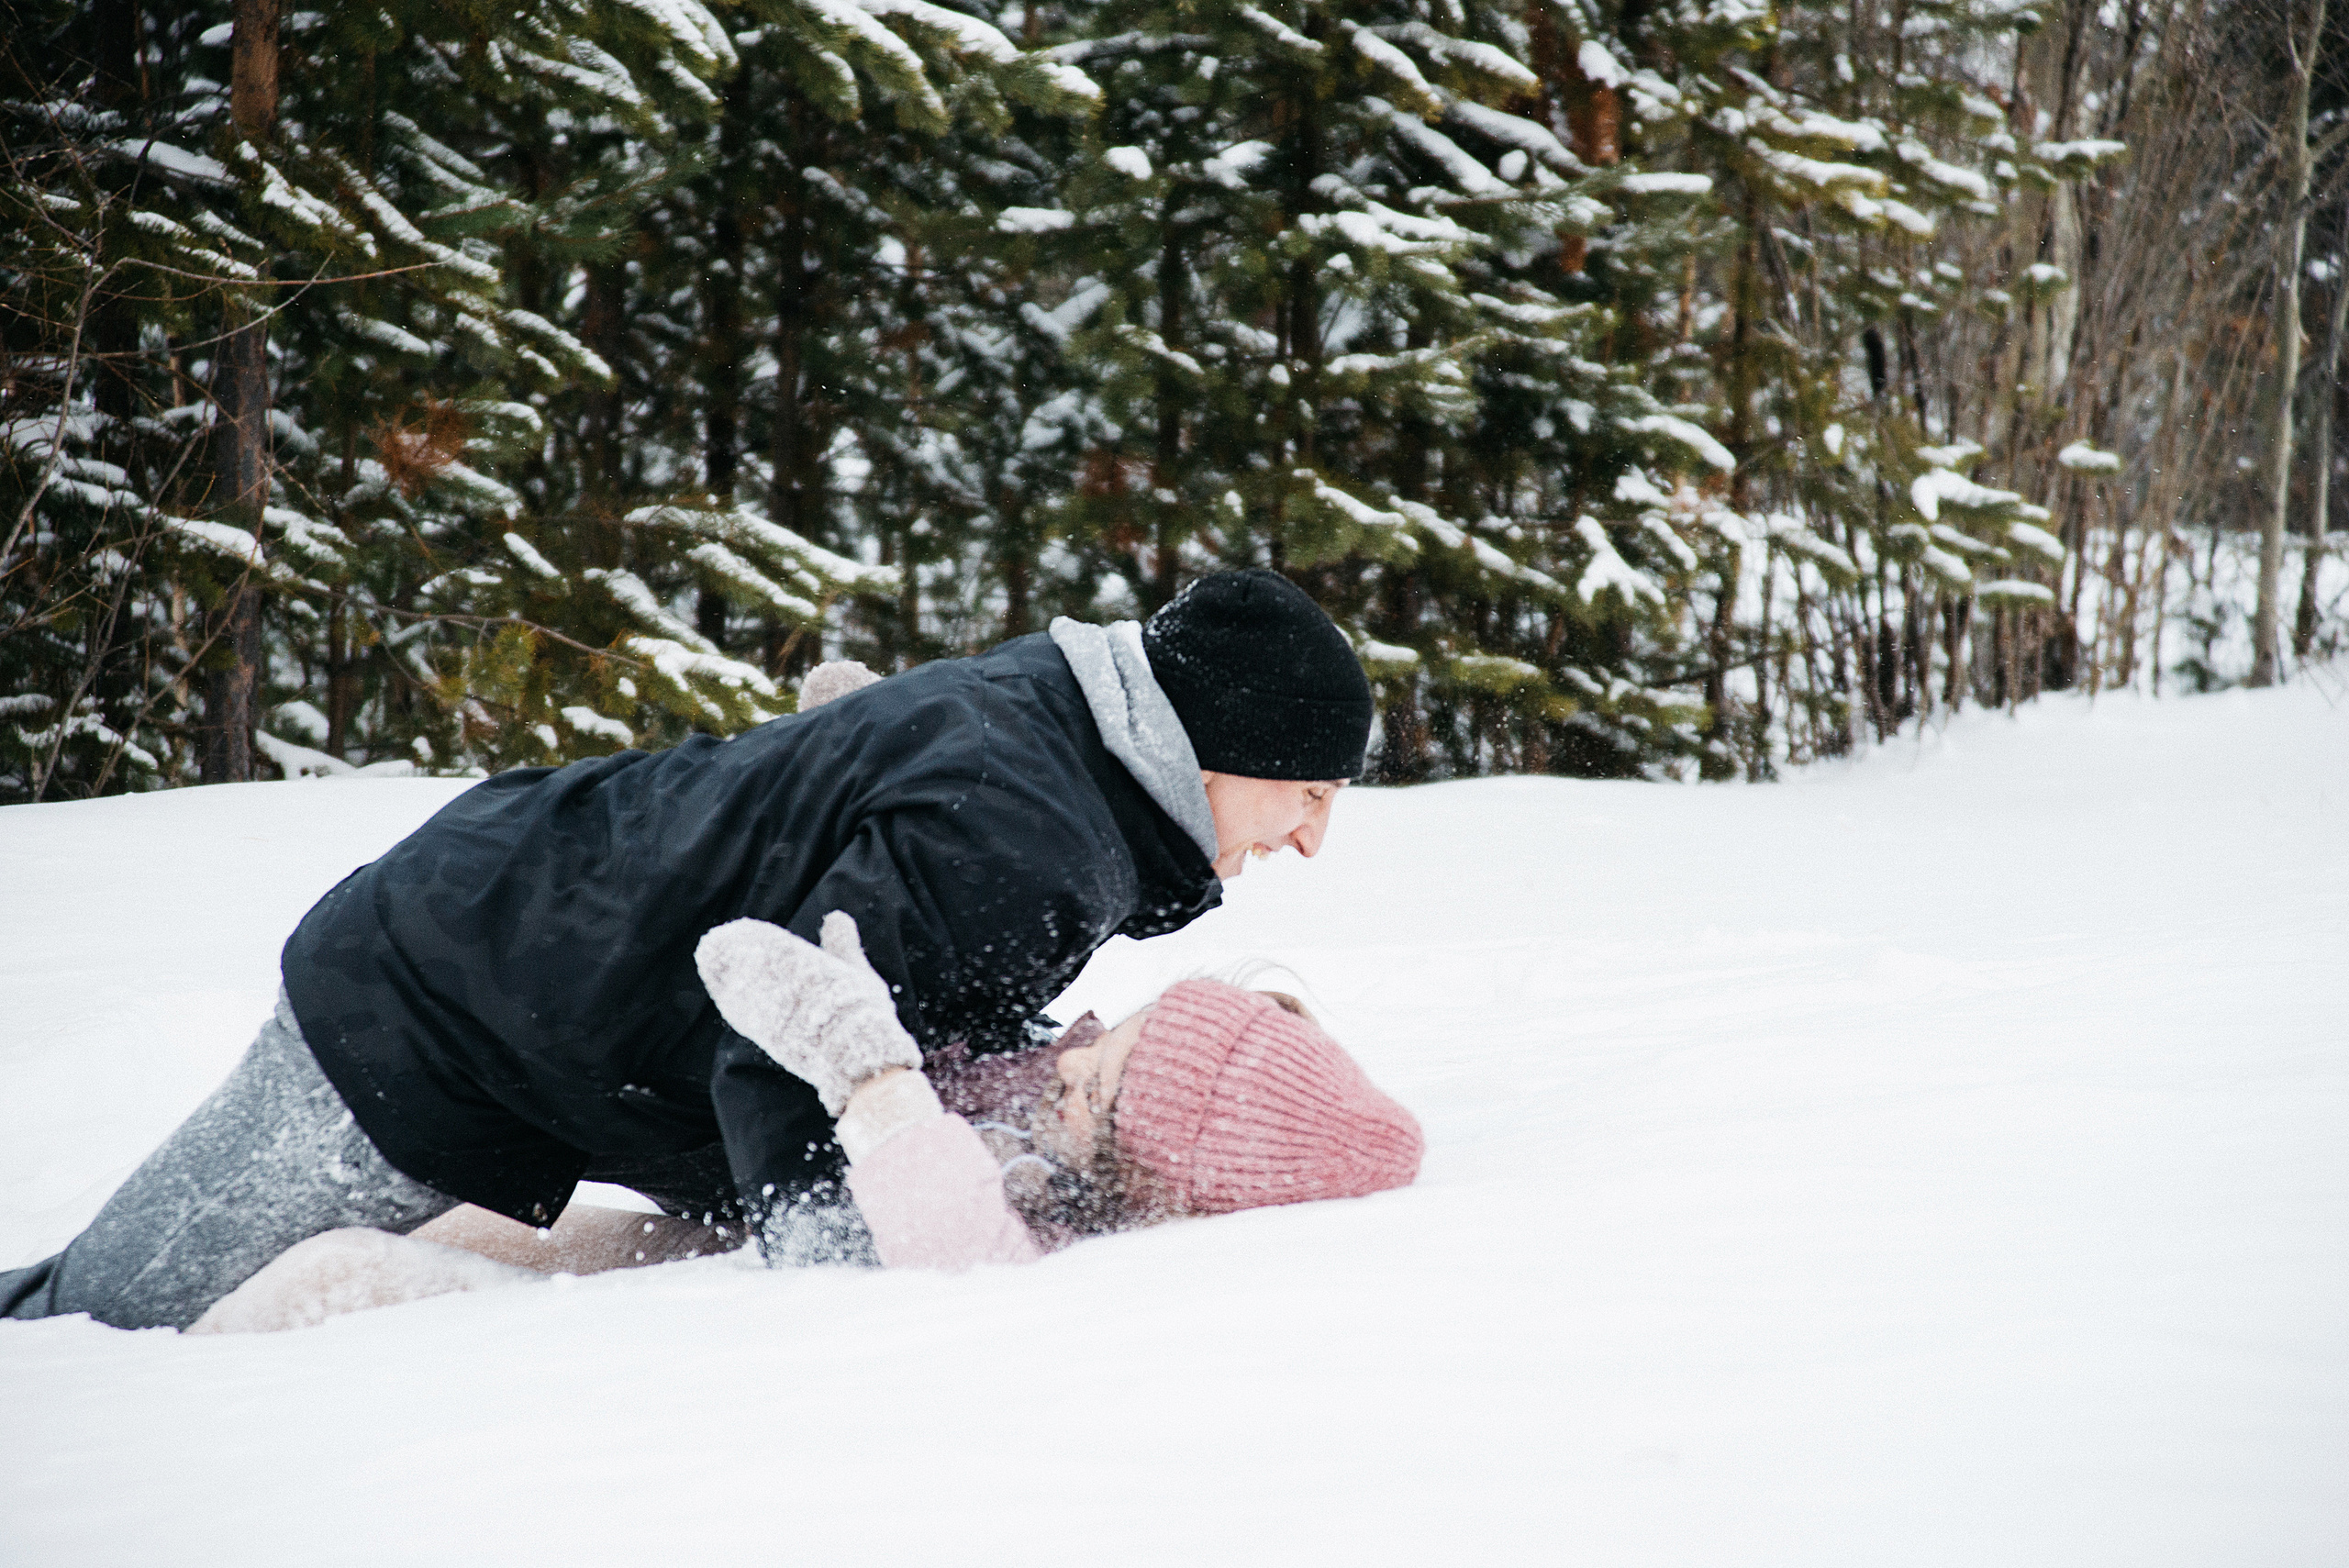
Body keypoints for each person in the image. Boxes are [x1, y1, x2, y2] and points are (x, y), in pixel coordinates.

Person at [1, 569, 1375, 1330]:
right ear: (1226, 743)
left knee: (116, 1299)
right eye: (1311, 792)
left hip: (500, 936)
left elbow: (875, 916)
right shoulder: (1042, 839)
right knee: (96, 1327)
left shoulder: (1056, 734)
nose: (1310, 838)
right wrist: (848, 1261)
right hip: (439, 998)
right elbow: (782, 1053)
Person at [186, 939, 1424, 1332]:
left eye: (1098, 1071)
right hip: (705, 1215)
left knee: (353, 1276)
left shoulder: (1055, 1199)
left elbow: (957, 1251)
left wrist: (866, 1066)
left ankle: (172, 1352)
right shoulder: (1067, 1096)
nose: (1074, 1051)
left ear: (1141, 1146)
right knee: (458, 1221)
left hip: (728, 1267)